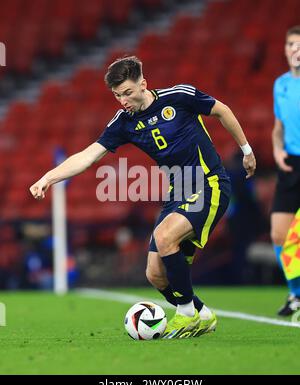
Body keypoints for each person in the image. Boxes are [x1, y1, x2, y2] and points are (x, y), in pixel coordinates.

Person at [30, 56, 256, 339]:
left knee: (164, 237)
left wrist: (246, 150)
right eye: (116, 95)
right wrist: (48, 177)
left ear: (143, 84)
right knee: (154, 273)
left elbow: (222, 111)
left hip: (209, 183)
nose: (122, 101)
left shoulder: (179, 97)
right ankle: (203, 314)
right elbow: (88, 156)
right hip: (179, 193)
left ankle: (185, 314)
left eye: (127, 92)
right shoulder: (123, 123)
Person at [271, 25, 300, 316]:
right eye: (292, 44)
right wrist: (278, 149)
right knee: (280, 234)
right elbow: (278, 129)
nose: (296, 49)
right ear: (286, 49)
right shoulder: (280, 84)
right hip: (291, 163)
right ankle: (296, 294)